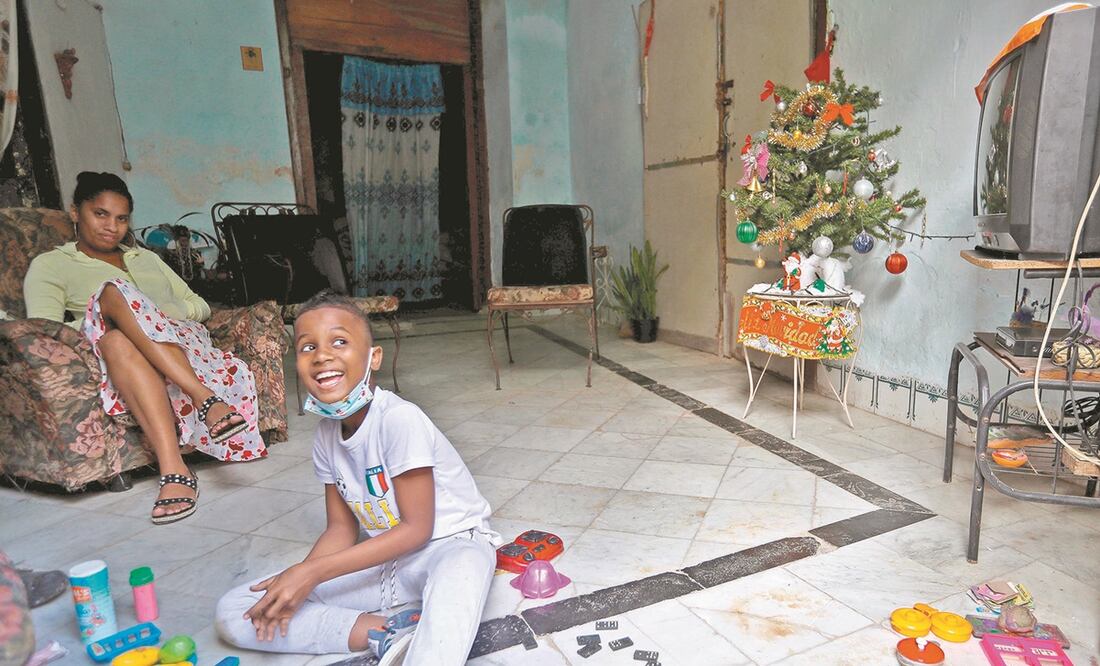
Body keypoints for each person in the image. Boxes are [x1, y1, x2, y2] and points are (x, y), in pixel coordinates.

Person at [215, 291, 497, 665]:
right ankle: (388, 632)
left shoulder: (399, 419)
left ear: (373, 357)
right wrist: (301, 579)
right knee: (240, 608)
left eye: (340, 341)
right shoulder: (326, 436)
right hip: (390, 562)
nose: (322, 355)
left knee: (455, 591)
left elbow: (418, 529)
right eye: (307, 347)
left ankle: (430, 643)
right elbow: (340, 530)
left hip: (451, 545)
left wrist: (313, 573)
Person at [23, 172, 266, 524]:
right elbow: (43, 329)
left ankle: (187, 441)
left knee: (121, 310)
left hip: (182, 343)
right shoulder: (51, 265)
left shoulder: (146, 259)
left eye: (121, 218)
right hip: (117, 350)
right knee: (114, 315)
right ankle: (194, 427)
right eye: (100, 214)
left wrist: (155, 316)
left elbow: (199, 305)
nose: (112, 227)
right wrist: (119, 317)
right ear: (75, 212)